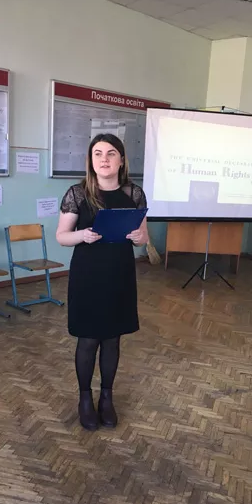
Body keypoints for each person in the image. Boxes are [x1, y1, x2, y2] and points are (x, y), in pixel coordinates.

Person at [56, 133, 148, 431]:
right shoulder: (77, 193)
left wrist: (139, 237)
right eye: (98, 153)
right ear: (91, 160)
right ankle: (85, 398)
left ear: (121, 160)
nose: (104, 159)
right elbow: (61, 237)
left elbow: (143, 239)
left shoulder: (134, 193)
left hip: (119, 273)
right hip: (88, 274)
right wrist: (82, 235)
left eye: (110, 153)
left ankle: (106, 397)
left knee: (112, 338)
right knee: (88, 338)